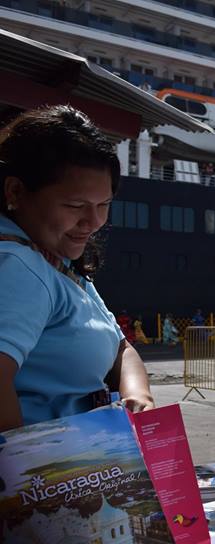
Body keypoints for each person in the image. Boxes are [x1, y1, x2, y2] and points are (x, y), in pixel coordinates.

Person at [0, 105, 156, 428]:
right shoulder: (18, 266)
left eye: (104, 205)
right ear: (15, 191)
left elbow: (120, 347)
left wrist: (138, 394)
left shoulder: (60, 263)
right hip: (50, 473)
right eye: (75, 206)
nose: (94, 222)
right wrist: (22, 471)